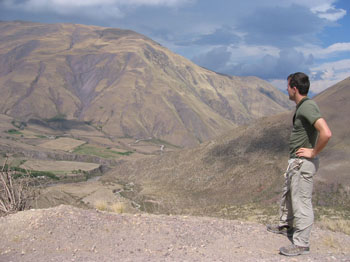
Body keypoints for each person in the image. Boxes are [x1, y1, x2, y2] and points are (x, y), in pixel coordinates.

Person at [267, 72, 332, 256]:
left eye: (288, 86)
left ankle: (301, 244)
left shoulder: (307, 107)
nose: (286, 89)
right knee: (290, 195)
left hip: (303, 163)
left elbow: (326, 132)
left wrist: (313, 151)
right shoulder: (303, 107)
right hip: (297, 163)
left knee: (301, 202)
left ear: (294, 89)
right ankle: (286, 226)